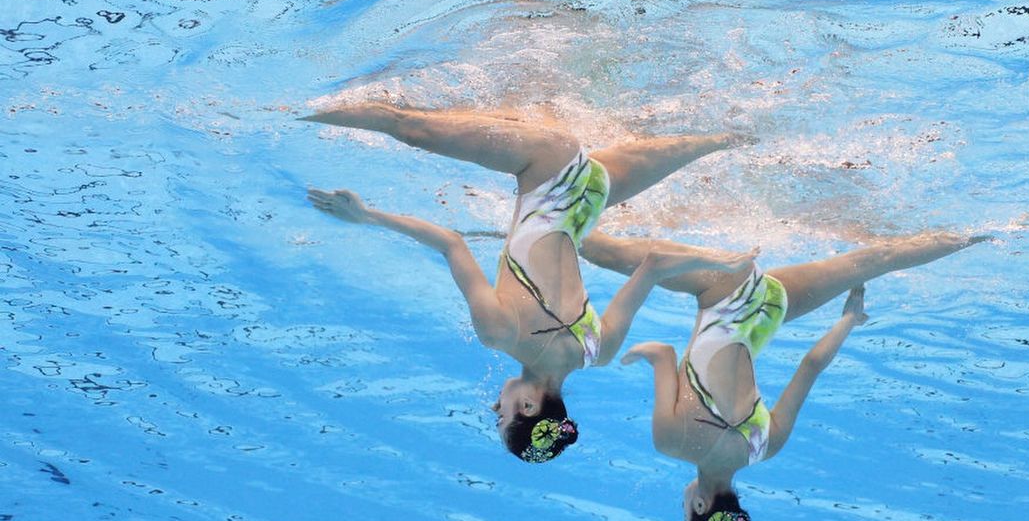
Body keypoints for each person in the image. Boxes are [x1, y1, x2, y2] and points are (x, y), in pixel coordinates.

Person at [303, 103, 753, 463]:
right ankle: (268, 112)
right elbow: (452, 244)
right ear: (529, 408)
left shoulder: (598, 350)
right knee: (403, 124)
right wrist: (366, 216)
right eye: (501, 418)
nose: (495, 408)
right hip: (545, 164)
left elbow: (654, 265)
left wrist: (714, 259)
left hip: (594, 191)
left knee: (722, 140)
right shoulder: (500, 334)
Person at [580, 230, 989, 521]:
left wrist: (849, 319)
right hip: (723, 292)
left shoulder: (765, 446)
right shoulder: (670, 442)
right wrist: (633, 355)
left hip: (769, 309)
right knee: (609, 253)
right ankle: (519, 218)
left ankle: (981, 235)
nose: (685, 503)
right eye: (686, 511)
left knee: (874, 261)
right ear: (700, 506)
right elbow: (661, 352)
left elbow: (810, 366)